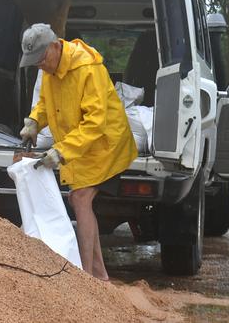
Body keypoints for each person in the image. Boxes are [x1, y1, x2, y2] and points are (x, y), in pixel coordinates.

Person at [18, 23, 138, 280]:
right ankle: (99, 274)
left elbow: (95, 122)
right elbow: (45, 102)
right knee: (78, 199)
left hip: (106, 144)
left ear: (54, 46)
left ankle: (88, 276)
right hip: (82, 145)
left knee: (80, 198)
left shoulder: (87, 68)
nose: (39, 66)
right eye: (34, 62)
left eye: (41, 59)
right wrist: (34, 122)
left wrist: (60, 151)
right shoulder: (50, 68)